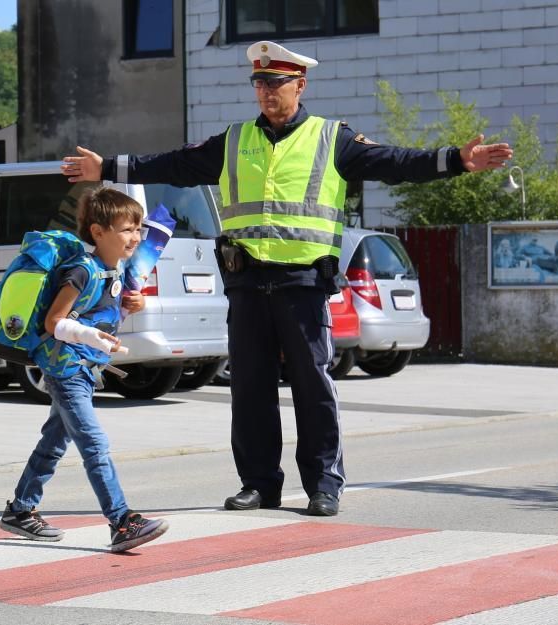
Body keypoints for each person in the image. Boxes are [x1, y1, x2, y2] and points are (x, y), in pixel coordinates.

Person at [62, 41, 513, 517]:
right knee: (250, 387)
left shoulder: (331, 138)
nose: (266, 92)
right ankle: (259, 484)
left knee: (312, 384)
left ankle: (324, 484)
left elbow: (393, 162)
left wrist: (454, 160)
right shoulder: (234, 141)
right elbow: (173, 164)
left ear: (300, 85)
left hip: (303, 282)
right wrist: (105, 168)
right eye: (259, 83)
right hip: (246, 281)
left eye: (276, 83)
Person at [0, 187, 169, 553]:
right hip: (66, 368)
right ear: (98, 232)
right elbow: (54, 322)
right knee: (94, 444)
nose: (135, 237)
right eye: (126, 230)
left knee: (54, 442)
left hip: (86, 368)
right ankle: (121, 521)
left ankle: (21, 509)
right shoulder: (81, 271)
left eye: (137, 229)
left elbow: (100, 318)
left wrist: (130, 307)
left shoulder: (116, 271)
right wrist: (92, 336)